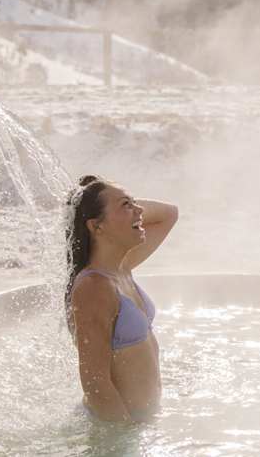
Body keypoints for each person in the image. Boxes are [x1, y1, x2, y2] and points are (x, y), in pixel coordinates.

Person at [65, 175, 178, 422]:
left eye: (135, 203)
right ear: (96, 227)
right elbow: (96, 385)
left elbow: (169, 214)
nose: (140, 211)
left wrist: (127, 206)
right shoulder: (93, 287)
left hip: (140, 421)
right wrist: (124, 438)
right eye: (127, 205)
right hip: (116, 427)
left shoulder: (120, 267)